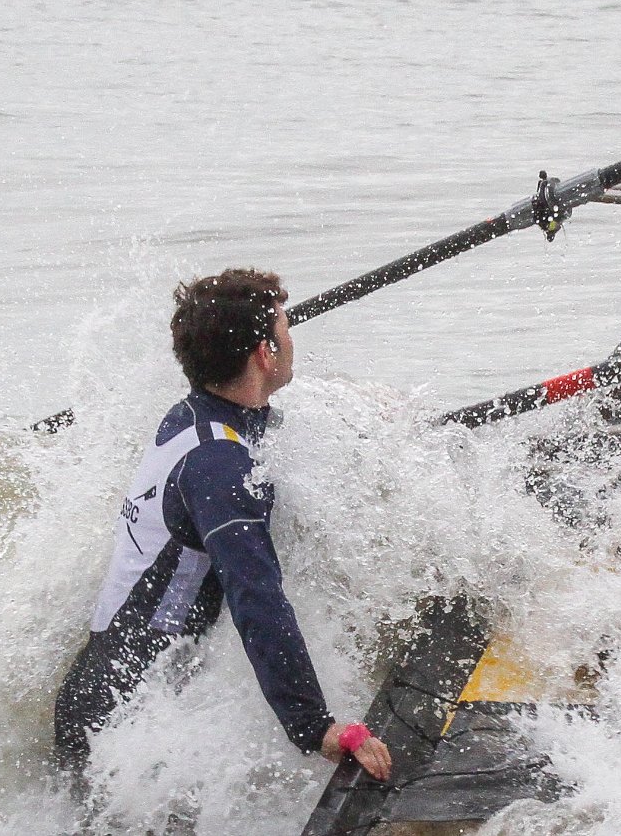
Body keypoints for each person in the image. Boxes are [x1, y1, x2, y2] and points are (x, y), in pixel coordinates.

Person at [53, 269, 393, 784]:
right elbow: (256, 596)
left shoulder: (195, 417)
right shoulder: (219, 466)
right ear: (264, 353)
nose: (290, 337)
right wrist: (315, 727)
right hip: (126, 728)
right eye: (285, 328)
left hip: (107, 697)